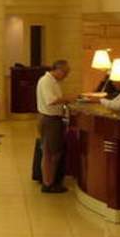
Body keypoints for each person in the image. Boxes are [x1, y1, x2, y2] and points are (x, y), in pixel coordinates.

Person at [36, 59, 74, 193]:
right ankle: (48, 183)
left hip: (53, 119)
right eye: (65, 73)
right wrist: (67, 99)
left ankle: (50, 181)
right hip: (49, 120)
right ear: (58, 70)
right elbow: (51, 100)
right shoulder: (46, 81)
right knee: (50, 153)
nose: (66, 76)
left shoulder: (53, 82)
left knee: (52, 152)